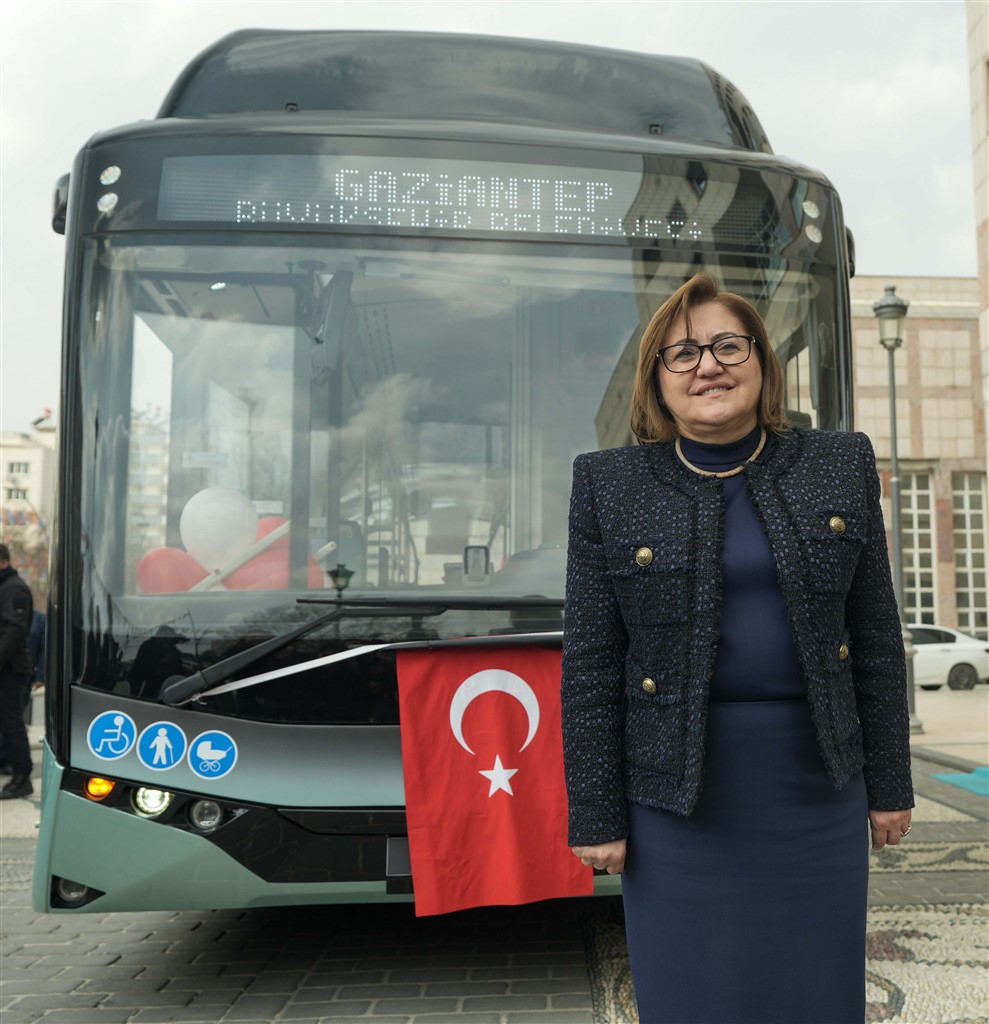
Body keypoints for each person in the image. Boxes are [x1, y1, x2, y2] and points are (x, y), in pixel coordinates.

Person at [561, 273, 913, 1024]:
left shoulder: (837, 462)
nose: (706, 366)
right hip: (675, 796)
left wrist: (889, 785)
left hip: (814, 783)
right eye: (680, 353)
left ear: (760, 364)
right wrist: (595, 815)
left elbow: (876, 635)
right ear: (655, 380)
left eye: (727, 345)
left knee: (812, 993)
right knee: (693, 993)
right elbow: (591, 659)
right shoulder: (606, 483)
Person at [0, 542, 35, 799]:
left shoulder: (14, 589)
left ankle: (22, 777)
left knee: (12, 723)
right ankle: (7, 762)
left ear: (3, 561)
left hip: (11, 670)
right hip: (6, 667)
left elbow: (14, 631)